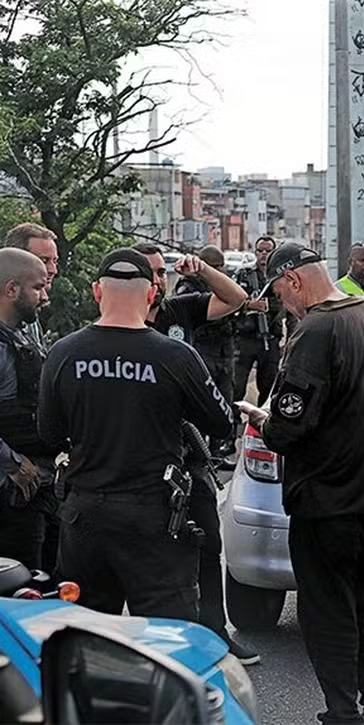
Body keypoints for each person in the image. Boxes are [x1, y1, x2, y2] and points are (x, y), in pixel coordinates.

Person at [238, 242, 364, 725]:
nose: (282, 304)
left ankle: (341, 714)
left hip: (326, 501)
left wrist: (264, 420)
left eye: (279, 292)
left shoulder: (316, 329)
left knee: (326, 614)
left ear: (293, 279)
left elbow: (291, 424)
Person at [37, 248, 234, 620]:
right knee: (169, 639)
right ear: (150, 295)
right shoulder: (176, 356)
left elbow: (49, 434)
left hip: (85, 515)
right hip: (153, 518)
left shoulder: (63, 353)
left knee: (85, 635)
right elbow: (222, 423)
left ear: (97, 292)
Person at [133, 242, 257, 664]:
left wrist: (202, 269)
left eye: (161, 272)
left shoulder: (177, 311)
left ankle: (215, 632)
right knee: (152, 554)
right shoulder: (114, 325)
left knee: (208, 542)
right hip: (140, 458)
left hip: (188, 452)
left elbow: (236, 299)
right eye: (148, 272)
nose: (157, 280)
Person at [0, 249, 55, 570]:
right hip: (12, 489)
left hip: (30, 491)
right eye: (38, 287)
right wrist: (14, 464)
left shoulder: (20, 339)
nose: (45, 296)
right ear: (11, 289)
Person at [175, 245, 238, 459]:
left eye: (223, 266)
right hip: (204, 349)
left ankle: (217, 453)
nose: (222, 271)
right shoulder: (190, 287)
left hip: (224, 350)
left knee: (224, 402)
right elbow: (200, 317)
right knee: (202, 405)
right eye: (217, 267)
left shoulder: (223, 286)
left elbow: (236, 303)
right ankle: (200, 454)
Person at [233, 236, 284, 407]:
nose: (263, 254)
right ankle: (234, 424)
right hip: (245, 338)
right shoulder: (245, 275)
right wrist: (249, 305)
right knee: (237, 386)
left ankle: (263, 423)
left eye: (267, 251)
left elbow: (291, 310)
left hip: (270, 338)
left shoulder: (280, 277)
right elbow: (229, 301)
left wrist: (291, 338)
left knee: (269, 387)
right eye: (260, 250)